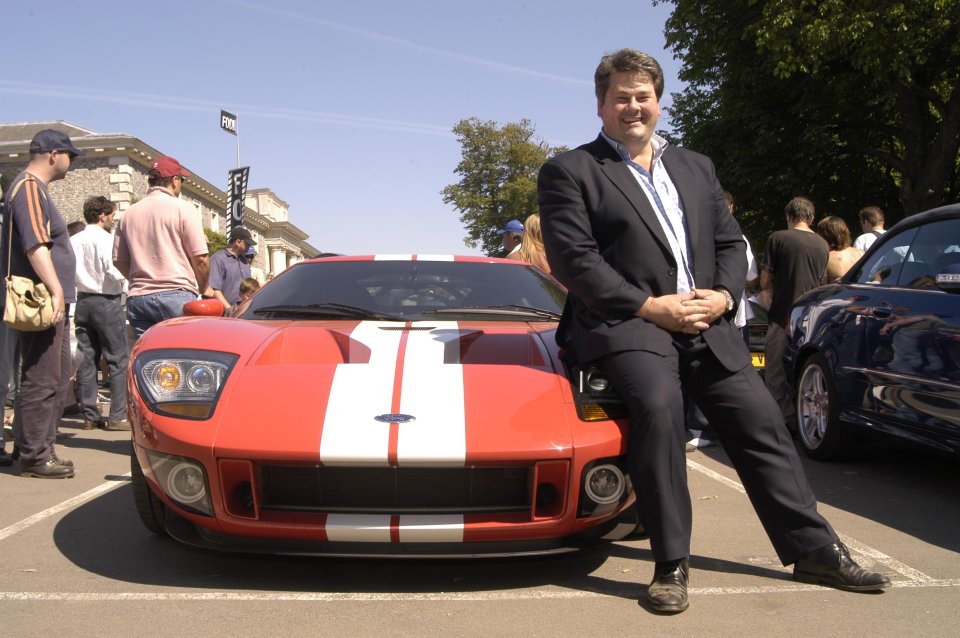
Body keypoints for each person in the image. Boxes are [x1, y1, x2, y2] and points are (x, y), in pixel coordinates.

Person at [537, 49, 888, 613]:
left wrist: (725, 295)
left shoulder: (695, 166)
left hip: (707, 319)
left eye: (643, 96)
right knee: (659, 408)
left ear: (658, 100)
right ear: (601, 104)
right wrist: (651, 306)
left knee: (762, 419)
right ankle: (671, 562)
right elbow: (574, 261)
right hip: (630, 323)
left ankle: (815, 549)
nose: (634, 106)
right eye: (621, 96)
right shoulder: (570, 171)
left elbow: (730, 243)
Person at [1, 129, 82, 478]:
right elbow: (36, 245)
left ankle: (37, 446)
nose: (72, 162)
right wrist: (55, 290)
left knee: (57, 374)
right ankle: (34, 455)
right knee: (42, 376)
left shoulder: (30, 188)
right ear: (53, 154)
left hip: (47, 298)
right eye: (70, 155)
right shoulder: (30, 188)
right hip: (42, 299)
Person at [113, 156, 210, 339]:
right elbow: (201, 258)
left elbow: (119, 260)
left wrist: (142, 276)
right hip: (176, 294)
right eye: (181, 180)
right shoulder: (183, 208)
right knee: (181, 357)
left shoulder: (129, 214)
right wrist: (204, 286)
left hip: (139, 297)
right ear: (174, 181)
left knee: (149, 359)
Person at [760, 197, 829, 428]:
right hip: (810, 317)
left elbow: (765, 281)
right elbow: (822, 281)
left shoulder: (777, 238)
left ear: (789, 216)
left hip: (782, 315)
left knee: (774, 370)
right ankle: (805, 417)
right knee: (802, 371)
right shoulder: (822, 244)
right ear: (811, 217)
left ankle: (783, 420)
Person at [71, 196, 129, 431]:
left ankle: (89, 414)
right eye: (111, 215)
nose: (113, 219)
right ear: (102, 215)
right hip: (106, 300)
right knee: (116, 359)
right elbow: (113, 269)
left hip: (83, 299)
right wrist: (126, 279)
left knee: (87, 358)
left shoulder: (74, 240)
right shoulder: (106, 239)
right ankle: (117, 415)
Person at [207, 226, 256, 314]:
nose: (249, 246)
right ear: (238, 242)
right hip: (226, 314)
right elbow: (214, 289)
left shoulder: (244, 261)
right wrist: (229, 310)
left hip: (245, 311)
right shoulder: (218, 259)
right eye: (247, 243)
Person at [817, 215, 864, 283]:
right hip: (861, 292)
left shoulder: (826, 257)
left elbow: (820, 286)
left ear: (824, 235)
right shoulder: (860, 253)